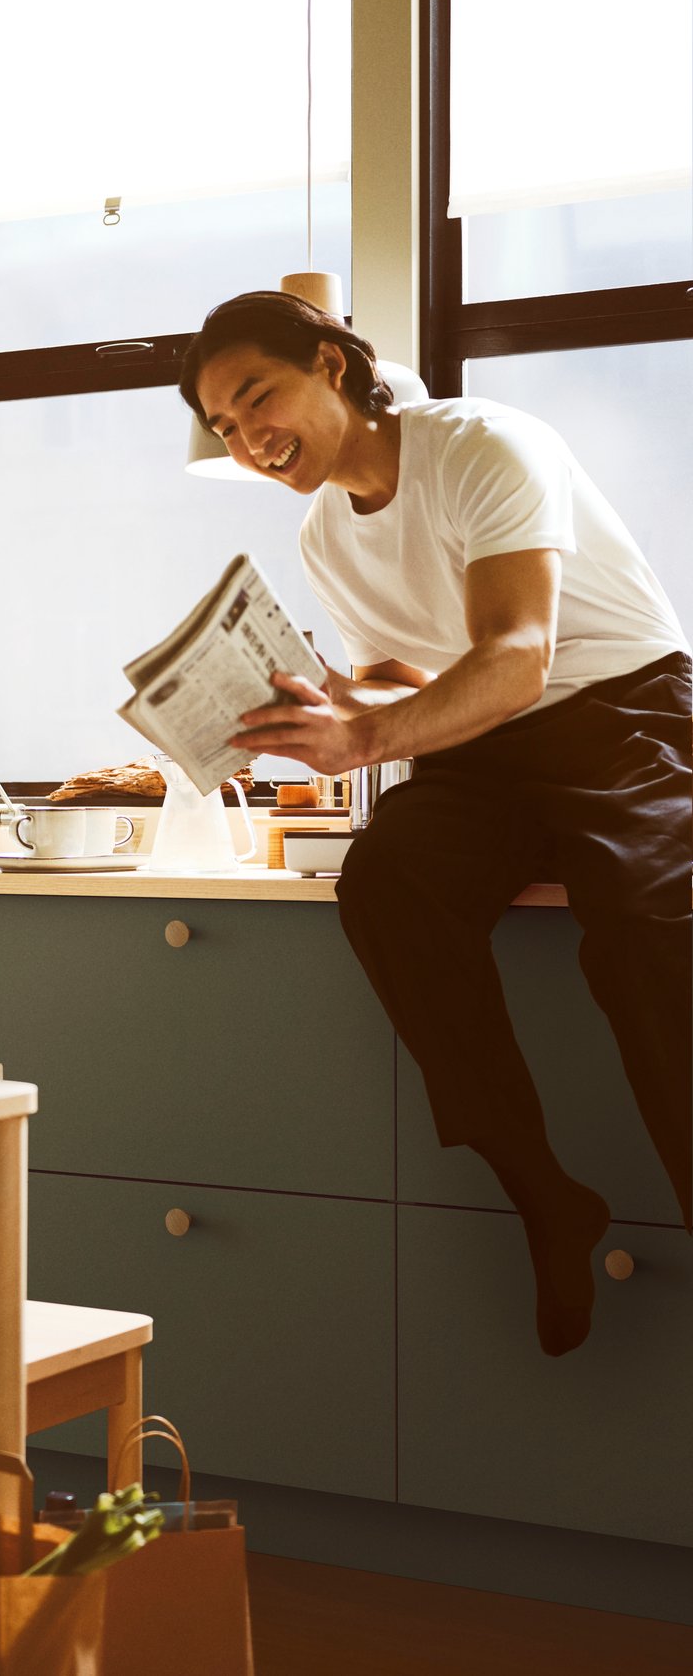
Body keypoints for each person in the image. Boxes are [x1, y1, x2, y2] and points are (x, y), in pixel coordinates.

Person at [179, 290, 691, 1356]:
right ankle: (544, 1196)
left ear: (329, 363)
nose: (245, 436)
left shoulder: (482, 444)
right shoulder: (326, 531)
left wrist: (364, 740)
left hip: (624, 717)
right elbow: (405, 679)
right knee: (384, 883)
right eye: (222, 426)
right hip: (488, 753)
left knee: (645, 932)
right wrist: (327, 700)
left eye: (255, 397)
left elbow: (515, 655)